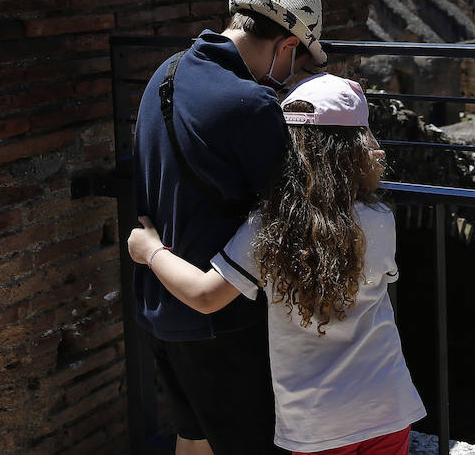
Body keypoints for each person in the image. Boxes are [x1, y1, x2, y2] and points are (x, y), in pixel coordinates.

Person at [128, 73, 426, 455]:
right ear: (358, 148)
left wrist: (150, 251)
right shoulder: (380, 219)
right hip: (386, 404)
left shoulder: (269, 226)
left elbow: (205, 296)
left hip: (316, 421)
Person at [132, 0, 328, 455]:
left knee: (193, 441)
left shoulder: (167, 71)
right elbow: (290, 207)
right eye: (299, 61)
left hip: (162, 303)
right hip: (223, 318)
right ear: (284, 46)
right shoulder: (253, 105)